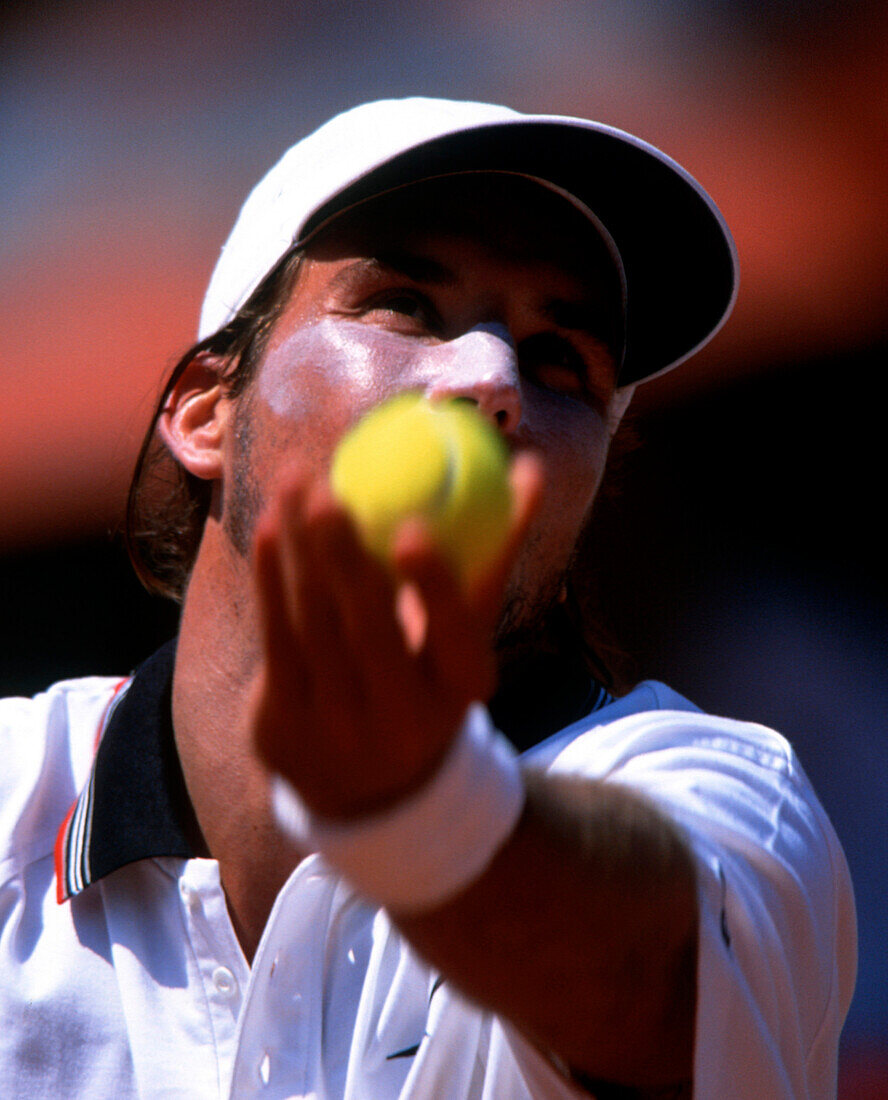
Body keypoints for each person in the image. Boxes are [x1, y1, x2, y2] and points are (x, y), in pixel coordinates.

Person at [0, 97, 856, 1099]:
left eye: (558, 362)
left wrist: (434, 816)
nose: (494, 378)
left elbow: (643, 981)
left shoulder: (722, 791)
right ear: (202, 408)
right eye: (405, 302)